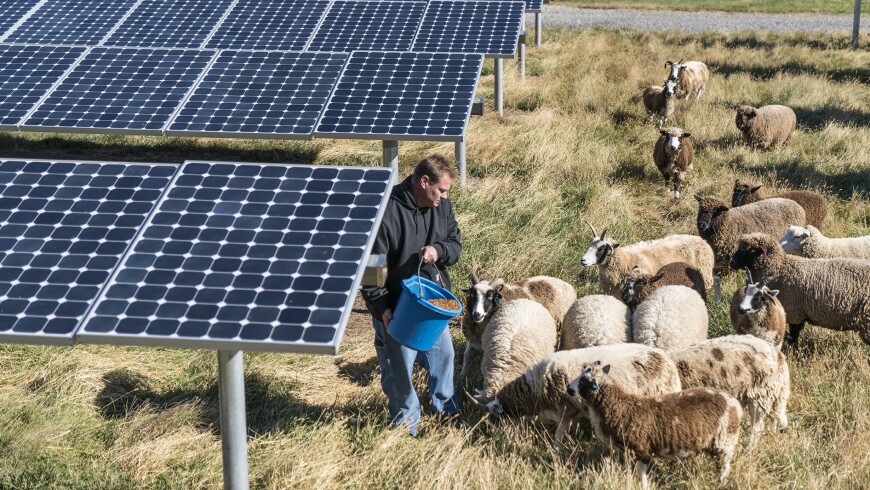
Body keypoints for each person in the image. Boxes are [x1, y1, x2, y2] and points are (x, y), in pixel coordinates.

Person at [361, 154, 461, 436]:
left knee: (444, 355)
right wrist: (383, 309)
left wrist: (437, 250)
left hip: (431, 302)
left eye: (446, 192)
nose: (443, 196)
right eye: (440, 190)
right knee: (399, 369)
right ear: (424, 181)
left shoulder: (442, 208)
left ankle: (447, 410)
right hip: (395, 306)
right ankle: (405, 426)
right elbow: (371, 270)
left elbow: (455, 245)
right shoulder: (386, 212)